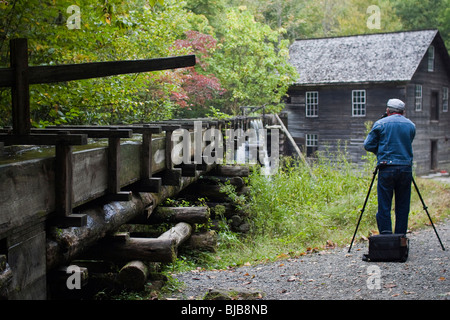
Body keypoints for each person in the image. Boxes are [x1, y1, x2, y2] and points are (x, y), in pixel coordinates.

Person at [363, 98, 416, 235]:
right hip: (405, 168)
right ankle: (400, 239)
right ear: (403, 112)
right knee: (403, 205)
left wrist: (381, 152)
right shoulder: (411, 125)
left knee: (384, 205)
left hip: (386, 167)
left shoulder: (380, 124)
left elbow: (368, 145)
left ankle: (386, 239)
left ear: (387, 110)